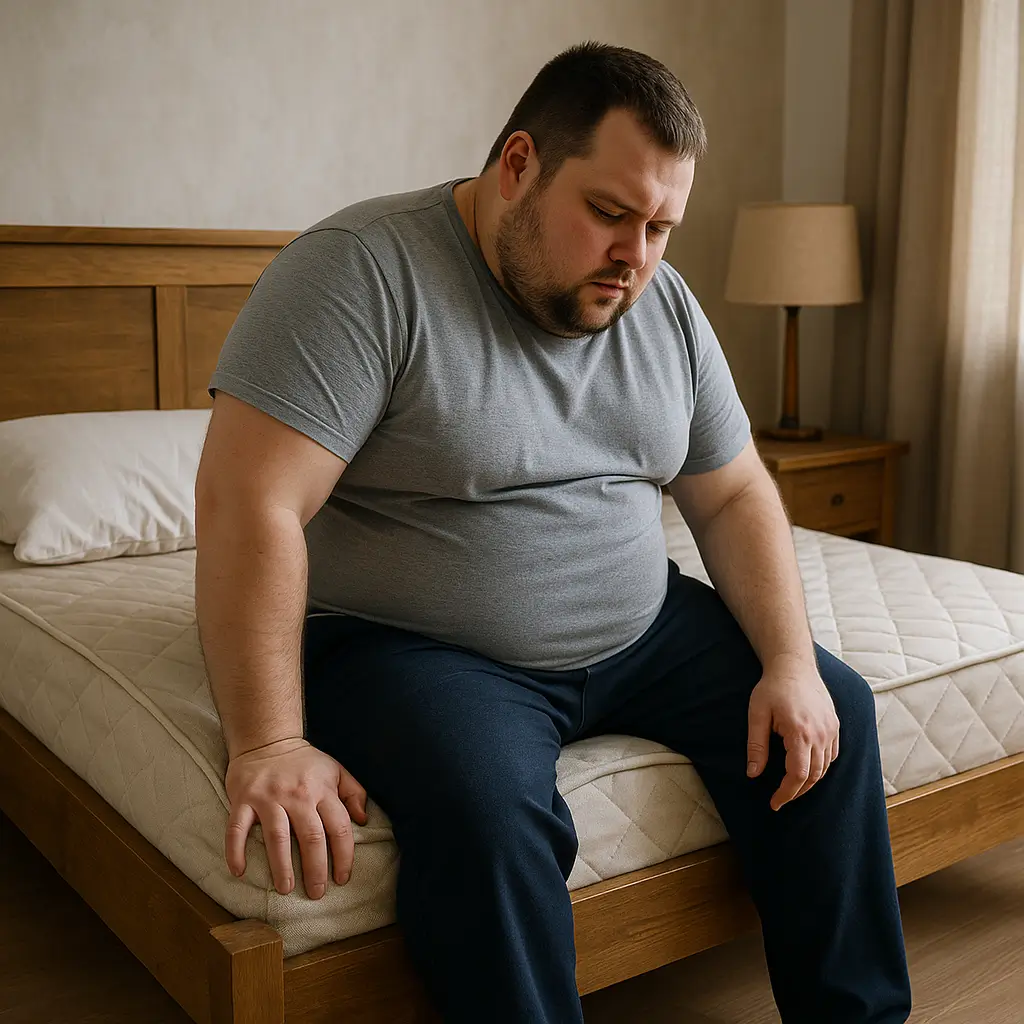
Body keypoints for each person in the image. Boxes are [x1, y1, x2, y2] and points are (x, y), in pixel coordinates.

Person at [194, 41, 912, 1024]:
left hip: (641, 627)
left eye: (661, 225)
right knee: (490, 817)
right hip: (420, 646)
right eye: (611, 213)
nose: (637, 254)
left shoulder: (663, 303)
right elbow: (252, 504)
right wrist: (267, 740)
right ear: (517, 165)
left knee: (834, 705)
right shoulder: (359, 273)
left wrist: (785, 657)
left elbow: (735, 490)